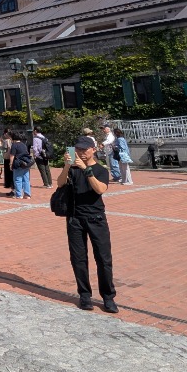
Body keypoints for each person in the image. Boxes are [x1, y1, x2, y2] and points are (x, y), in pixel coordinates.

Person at [55, 134, 118, 313]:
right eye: (79, 149)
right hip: (75, 218)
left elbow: (100, 189)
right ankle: (84, 295)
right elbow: (59, 184)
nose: (81, 152)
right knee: (78, 259)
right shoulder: (73, 169)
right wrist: (67, 166)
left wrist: (86, 169)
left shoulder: (100, 170)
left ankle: (108, 297)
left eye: (85, 149)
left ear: (94, 149)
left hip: (96, 219)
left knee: (104, 259)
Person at [8, 131, 32, 199]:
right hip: (26, 164)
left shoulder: (14, 145)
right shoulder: (23, 144)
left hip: (18, 164)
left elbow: (12, 155)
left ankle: (19, 194)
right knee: (26, 179)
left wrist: (10, 164)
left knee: (17, 179)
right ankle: (27, 194)